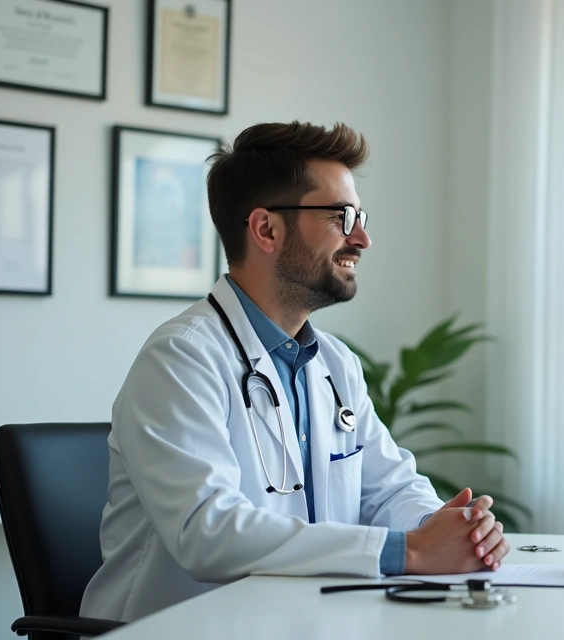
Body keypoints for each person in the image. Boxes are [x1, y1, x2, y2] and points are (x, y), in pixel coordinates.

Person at [81, 122, 510, 621]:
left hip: (300, 622)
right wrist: (407, 551)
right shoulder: (181, 358)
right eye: (342, 216)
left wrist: (444, 524)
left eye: (360, 216)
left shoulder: (334, 363)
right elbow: (207, 533)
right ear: (266, 229)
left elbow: (389, 487)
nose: (363, 238)